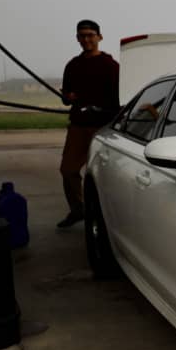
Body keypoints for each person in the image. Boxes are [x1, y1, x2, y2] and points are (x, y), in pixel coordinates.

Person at [57, 19, 119, 228]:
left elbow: (120, 98)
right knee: (68, 170)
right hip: (78, 126)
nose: (86, 39)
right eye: (82, 36)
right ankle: (78, 210)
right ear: (77, 39)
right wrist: (68, 96)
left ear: (99, 37)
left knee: (103, 175)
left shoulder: (111, 66)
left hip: (103, 128)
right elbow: (66, 97)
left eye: (90, 35)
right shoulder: (72, 66)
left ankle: (104, 215)